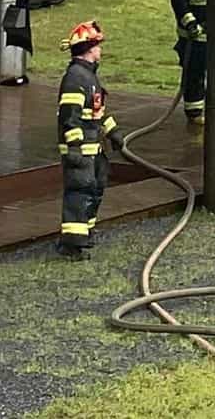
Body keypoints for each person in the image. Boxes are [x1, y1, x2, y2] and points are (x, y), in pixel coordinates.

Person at [56, 20, 123, 260]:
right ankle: (71, 244)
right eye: (98, 46)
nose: (100, 51)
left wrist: (113, 132)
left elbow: (97, 113)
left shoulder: (89, 77)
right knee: (79, 192)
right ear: (89, 49)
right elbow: (69, 117)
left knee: (95, 188)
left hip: (92, 149)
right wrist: (74, 147)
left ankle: (85, 233)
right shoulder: (76, 78)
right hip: (80, 150)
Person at [170, 0, 207, 124]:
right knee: (194, 75)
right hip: (193, 39)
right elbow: (179, 1)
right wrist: (190, 23)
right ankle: (194, 113)